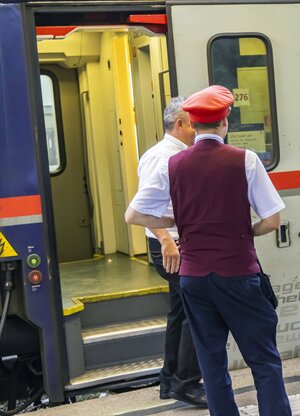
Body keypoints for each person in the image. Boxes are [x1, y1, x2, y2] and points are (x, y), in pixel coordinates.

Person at [125, 85, 292, 416]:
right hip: (238, 275)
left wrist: (181, 222)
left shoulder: (171, 164)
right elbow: (272, 220)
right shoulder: (245, 160)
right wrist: (247, 230)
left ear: (193, 123)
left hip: (194, 278)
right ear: (225, 121)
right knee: (263, 360)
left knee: (212, 366)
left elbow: (134, 215)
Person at [125, 98, 206, 408]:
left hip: (175, 244)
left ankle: (170, 379)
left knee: (180, 312)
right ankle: (186, 383)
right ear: (180, 124)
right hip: (171, 247)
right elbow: (143, 208)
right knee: (195, 313)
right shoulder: (162, 158)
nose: (197, 128)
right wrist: (165, 239)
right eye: (193, 122)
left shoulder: (177, 154)